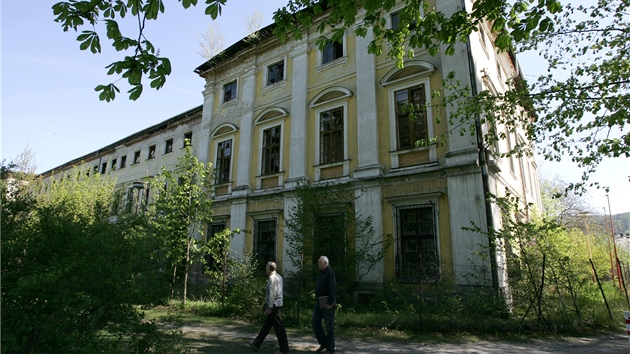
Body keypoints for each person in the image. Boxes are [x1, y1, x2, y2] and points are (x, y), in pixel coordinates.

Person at [250, 262, 290, 353]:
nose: (266, 269)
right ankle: (256, 343)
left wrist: (269, 307)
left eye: (266, 267)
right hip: (278, 303)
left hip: (274, 305)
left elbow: (272, 294)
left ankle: (284, 349)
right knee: (266, 326)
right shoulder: (279, 277)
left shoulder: (272, 278)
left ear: (268, 268)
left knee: (279, 328)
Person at [313, 256, 337, 353]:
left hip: (327, 302)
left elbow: (332, 289)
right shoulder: (322, 274)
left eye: (320, 262)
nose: (318, 263)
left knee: (329, 326)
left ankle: (330, 348)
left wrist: (330, 303)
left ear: (325, 263)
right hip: (319, 301)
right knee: (315, 322)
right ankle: (323, 342)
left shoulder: (330, 273)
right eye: (318, 262)